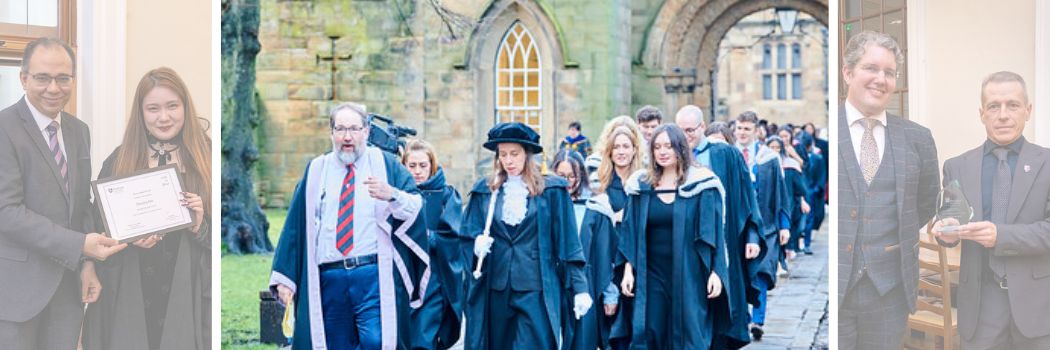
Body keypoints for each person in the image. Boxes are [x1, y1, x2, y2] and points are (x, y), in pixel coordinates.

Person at [269, 102, 431, 349]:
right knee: (334, 344)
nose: (347, 137)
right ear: (331, 132)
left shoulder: (387, 166)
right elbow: (294, 226)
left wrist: (391, 194)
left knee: (377, 342)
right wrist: (285, 278)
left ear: (366, 131)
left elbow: (417, 208)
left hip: (372, 276)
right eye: (341, 129)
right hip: (329, 279)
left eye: (354, 129)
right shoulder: (316, 170)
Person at [0, 37, 127, 349]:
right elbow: (7, 212)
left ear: (73, 79)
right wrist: (81, 244)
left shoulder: (78, 130)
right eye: (43, 78)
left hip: (68, 290)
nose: (53, 88)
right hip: (18, 293)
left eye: (62, 78)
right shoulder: (3, 128)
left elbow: (80, 203)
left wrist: (87, 263)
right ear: (24, 78)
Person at [81, 67, 211, 349]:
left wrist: (200, 225)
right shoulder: (120, 159)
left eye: (172, 106)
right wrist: (124, 237)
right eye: (153, 108)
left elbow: (230, 237)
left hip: (187, 291)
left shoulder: (208, 159)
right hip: (130, 287)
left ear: (185, 108)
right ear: (140, 113)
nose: (163, 117)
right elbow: (96, 226)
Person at [932, 71, 1050, 348]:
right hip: (980, 306)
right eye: (994, 106)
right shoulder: (956, 166)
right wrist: (945, 232)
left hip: (1037, 306)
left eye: (1013, 105)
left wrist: (1001, 236)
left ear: (1028, 111)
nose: (1003, 115)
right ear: (981, 113)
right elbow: (951, 217)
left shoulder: (1047, 163)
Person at [838, 31, 939, 349]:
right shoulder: (828, 128)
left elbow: (925, 203)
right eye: (871, 68)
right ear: (848, 72)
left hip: (889, 292)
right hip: (835, 287)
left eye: (890, 72)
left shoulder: (917, 138)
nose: (880, 79)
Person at [462, 122, 591, 349]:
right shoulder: (485, 191)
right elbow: (465, 237)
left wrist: (580, 289)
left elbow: (569, 243)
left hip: (536, 289)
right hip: (497, 289)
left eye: (514, 154)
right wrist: (475, 245)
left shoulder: (551, 191)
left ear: (527, 154)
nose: (508, 160)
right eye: (503, 154)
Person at [615, 124, 727, 349]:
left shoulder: (702, 184)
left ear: (681, 148)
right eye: (657, 147)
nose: (663, 151)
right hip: (651, 274)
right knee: (651, 329)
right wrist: (628, 270)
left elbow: (714, 231)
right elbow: (630, 231)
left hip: (690, 273)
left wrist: (716, 271)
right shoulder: (641, 187)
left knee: (688, 333)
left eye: (668, 145)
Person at [675, 105, 759, 349]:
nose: (686, 135)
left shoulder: (725, 155)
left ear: (702, 127)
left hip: (724, 240)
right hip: (686, 243)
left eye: (690, 130)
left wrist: (752, 235)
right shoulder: (670, 156)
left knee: (722, 298)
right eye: (681, 130)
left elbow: (746, 198)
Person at [401, 139, 465, 350]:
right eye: (412, 166)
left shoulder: (446, 195)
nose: (417, 172)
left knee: (423, 340)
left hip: (433, 281)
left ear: (432, 166)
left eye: (423, 166)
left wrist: (422, 237)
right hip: (401, 279)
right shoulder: (397, 195)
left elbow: (452, 236)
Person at [734, 111, 789, 341]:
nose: (743, 133)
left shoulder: (769, 158)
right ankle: (744, 318)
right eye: (739, 128)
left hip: (765, 225)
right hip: (737, 227)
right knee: (739, 275)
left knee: (761, 272)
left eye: (747, 128)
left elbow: (781, 194)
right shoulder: (730, 155)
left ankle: (757, 320)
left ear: (756, 130)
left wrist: (784, 225)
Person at [767, 136, 809, 262]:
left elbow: (801, 188)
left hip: (786, 206)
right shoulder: (761, 165)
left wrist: (800, 199)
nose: (774, 150)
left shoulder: (790, 166)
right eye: (771, 147)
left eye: (777, 148)